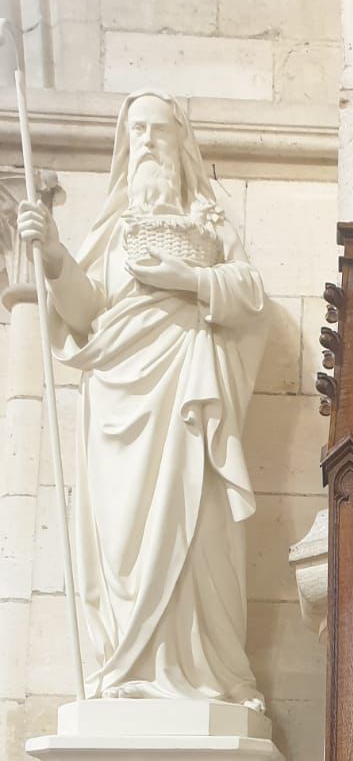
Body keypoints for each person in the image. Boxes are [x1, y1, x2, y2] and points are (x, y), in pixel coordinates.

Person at [17, 91, 269, 707]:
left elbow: (250, 295)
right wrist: (54, 257)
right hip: (118, 408)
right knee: (122, 535)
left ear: (181, 143)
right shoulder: (110, 234)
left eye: (159, 130)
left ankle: (208, 677)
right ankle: (124, 667)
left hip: (189, 392)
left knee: (199, 531)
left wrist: (188, 280)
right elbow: (84, 315)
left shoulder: (211, 224)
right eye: (137, 132)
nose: (149, 142)